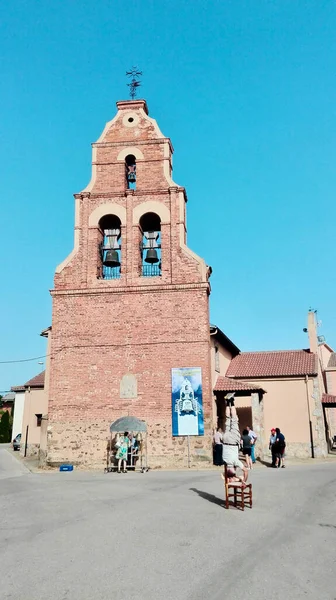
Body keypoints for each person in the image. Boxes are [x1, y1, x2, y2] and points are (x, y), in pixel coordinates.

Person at [222, 393, 248, 485]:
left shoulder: (235, 461)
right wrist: (234, 477)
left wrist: (244, 480)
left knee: (234, 419)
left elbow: (245, 471)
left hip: (233, 440)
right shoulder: (224, 460)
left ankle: (231, 402)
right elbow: (228, 475)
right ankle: (228, 402)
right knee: (228, 419)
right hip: (225, 440)